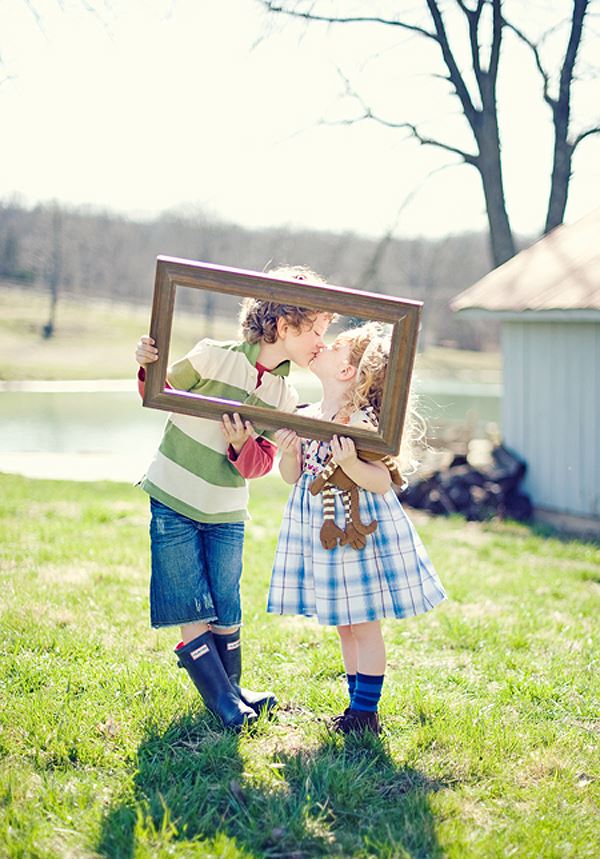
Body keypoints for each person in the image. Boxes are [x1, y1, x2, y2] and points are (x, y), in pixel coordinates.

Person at [135, 266, 333, 729]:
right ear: (286, 326)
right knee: (189, 599)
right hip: (175, 495)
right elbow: (157, 390)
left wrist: (244, 446)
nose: (323, 341)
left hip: (226, 508)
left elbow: (260, 463)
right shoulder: (212, 357)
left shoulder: (284, 396)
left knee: (226, 598)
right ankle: (223, 703)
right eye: (319, 330)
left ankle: (234, 689)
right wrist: (146, 361)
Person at [268, 322, 446, 735]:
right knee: (344, 624)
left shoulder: (362, 422)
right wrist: (289, 453)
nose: (321, 347)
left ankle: (367, 713)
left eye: (334, 347)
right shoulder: (309, 416)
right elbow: (292, 477)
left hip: (357, 533)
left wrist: (349, 464)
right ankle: (354, 707)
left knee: (363, 623)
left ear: (347, 371)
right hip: (321, 528)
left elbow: (382, 482)